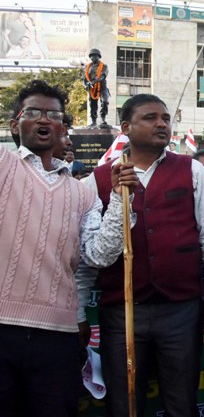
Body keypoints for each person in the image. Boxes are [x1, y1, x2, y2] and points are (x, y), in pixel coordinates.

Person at [86, 94, 204, 417]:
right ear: (125, 127)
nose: (161, 124)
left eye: (165, 118)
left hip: (180, 309)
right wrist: (117, 199)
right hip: (121, 310)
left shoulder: (192, 170)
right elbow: (93, 257)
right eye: (150, 117)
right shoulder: (97, 180)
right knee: (125, 403)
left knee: (181, 402)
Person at [1, 80, 125, 416]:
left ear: (63, 128)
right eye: (34, 112)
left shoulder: (83, 192)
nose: (44, 120)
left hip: (59, 334)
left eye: (53, 115)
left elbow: (99, 254)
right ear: (16, 125)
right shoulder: (4, 166)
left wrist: (117, 199)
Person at [83, 48, 110, 128]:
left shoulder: (104, 66)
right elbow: (84, 78)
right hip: (92, 89)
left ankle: (103, 119)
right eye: (92, 56)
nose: (93, 57)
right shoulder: (88, 67)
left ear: (99, 57)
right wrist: (85, 85)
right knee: (93, 105)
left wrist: (93, 82)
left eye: (95, 56)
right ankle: (93, 122)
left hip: (102, 88)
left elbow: (102, 76)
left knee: (105, 102)